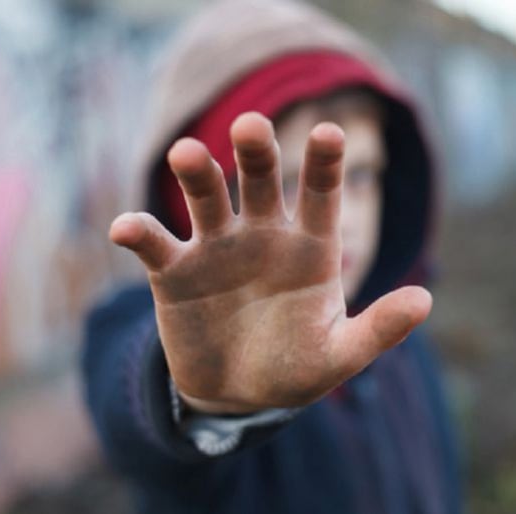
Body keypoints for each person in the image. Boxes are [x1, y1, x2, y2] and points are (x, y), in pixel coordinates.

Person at [81, 0, 461, 512]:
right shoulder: (132, 330)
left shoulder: (399, 340)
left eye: (363, 175)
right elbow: (130, 409)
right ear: (196, 205)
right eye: (286, 184)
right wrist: (202, 400)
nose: (341, 219)